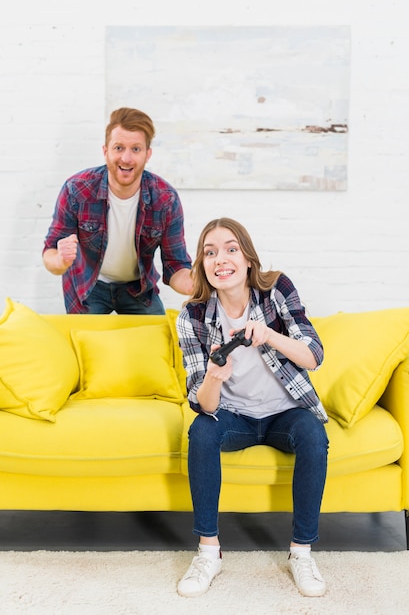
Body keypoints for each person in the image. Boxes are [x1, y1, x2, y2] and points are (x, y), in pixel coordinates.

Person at [176, 217, 329, 598]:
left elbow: (313, 355)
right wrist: (214, 375)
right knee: (201, 432)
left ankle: (301, 553)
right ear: (202, 266)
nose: (220, 259)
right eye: (209, 253)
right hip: (233, 417)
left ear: (247, 259)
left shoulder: (276, 290)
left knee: (313, 435)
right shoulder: (192, 316)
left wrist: (270, 335)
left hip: (285, 413)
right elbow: (202, 404)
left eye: (230, 249)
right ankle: (209, 553)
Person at [43, 107, 193, 314]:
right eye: (119, 148)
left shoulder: (166, 199)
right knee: (86, 344)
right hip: (89, 287)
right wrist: (61, 260)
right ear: (106, 151)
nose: (126, 158)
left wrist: (195, 285)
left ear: (147, 154)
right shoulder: (76, 190)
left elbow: (175, 264)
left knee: (157, 341)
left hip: (137, 289)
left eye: (136, 149)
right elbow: (50, 253)